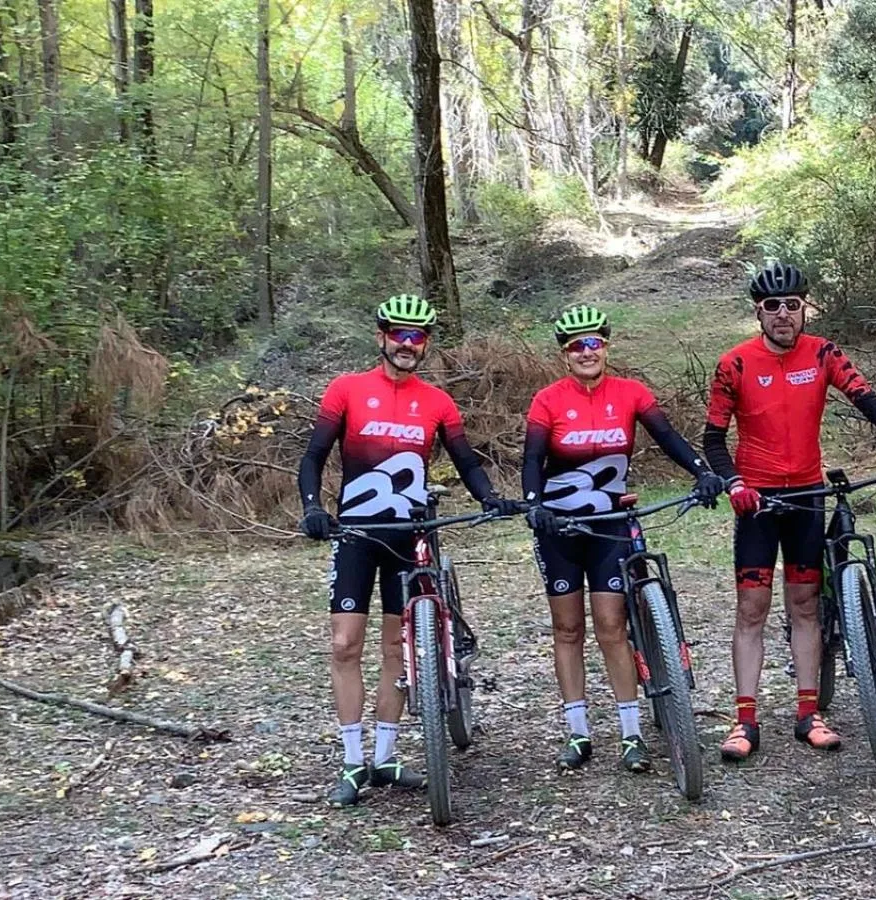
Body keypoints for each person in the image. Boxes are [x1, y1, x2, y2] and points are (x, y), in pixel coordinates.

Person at [702, 262, 876, 762]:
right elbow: (712, 439)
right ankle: (745, 720)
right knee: (751, 610)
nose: (783, 315)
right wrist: (734, 481)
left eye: (792, 305)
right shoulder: (735, 364)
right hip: (759, 502)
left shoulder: (824, 353)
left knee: (805, 604)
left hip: (807, 494)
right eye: (772, 306)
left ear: (805, 307)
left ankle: (809, 713)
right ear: (758, 313)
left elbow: (869, 401)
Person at [298, 294, 519, 807]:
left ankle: (386, 755)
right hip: (356, 533)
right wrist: (312, 507)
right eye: (398, 333)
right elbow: (313, 456)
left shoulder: (437, 402)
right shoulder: (347, 389)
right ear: (381, 337)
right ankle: (353, 762)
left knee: (397, 649)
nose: (407, 343)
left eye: (417, 336)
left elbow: (466, 461)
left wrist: (490, 498)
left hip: (409, 536)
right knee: (344, 644)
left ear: (425, 345)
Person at [521, 304, 724, 773]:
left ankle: (631, 733)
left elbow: (668, 436)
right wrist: (533, 503)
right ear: (564, 355)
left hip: (610, 524)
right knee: (568, 629)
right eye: (576, 345)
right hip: (560, 527)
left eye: (594, 342)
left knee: (611, 625)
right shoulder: (548, 400)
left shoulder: (630, 393)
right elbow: (532, 458)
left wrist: (701, 473)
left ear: (606, 346)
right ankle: (578, 731)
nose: (587, 352)